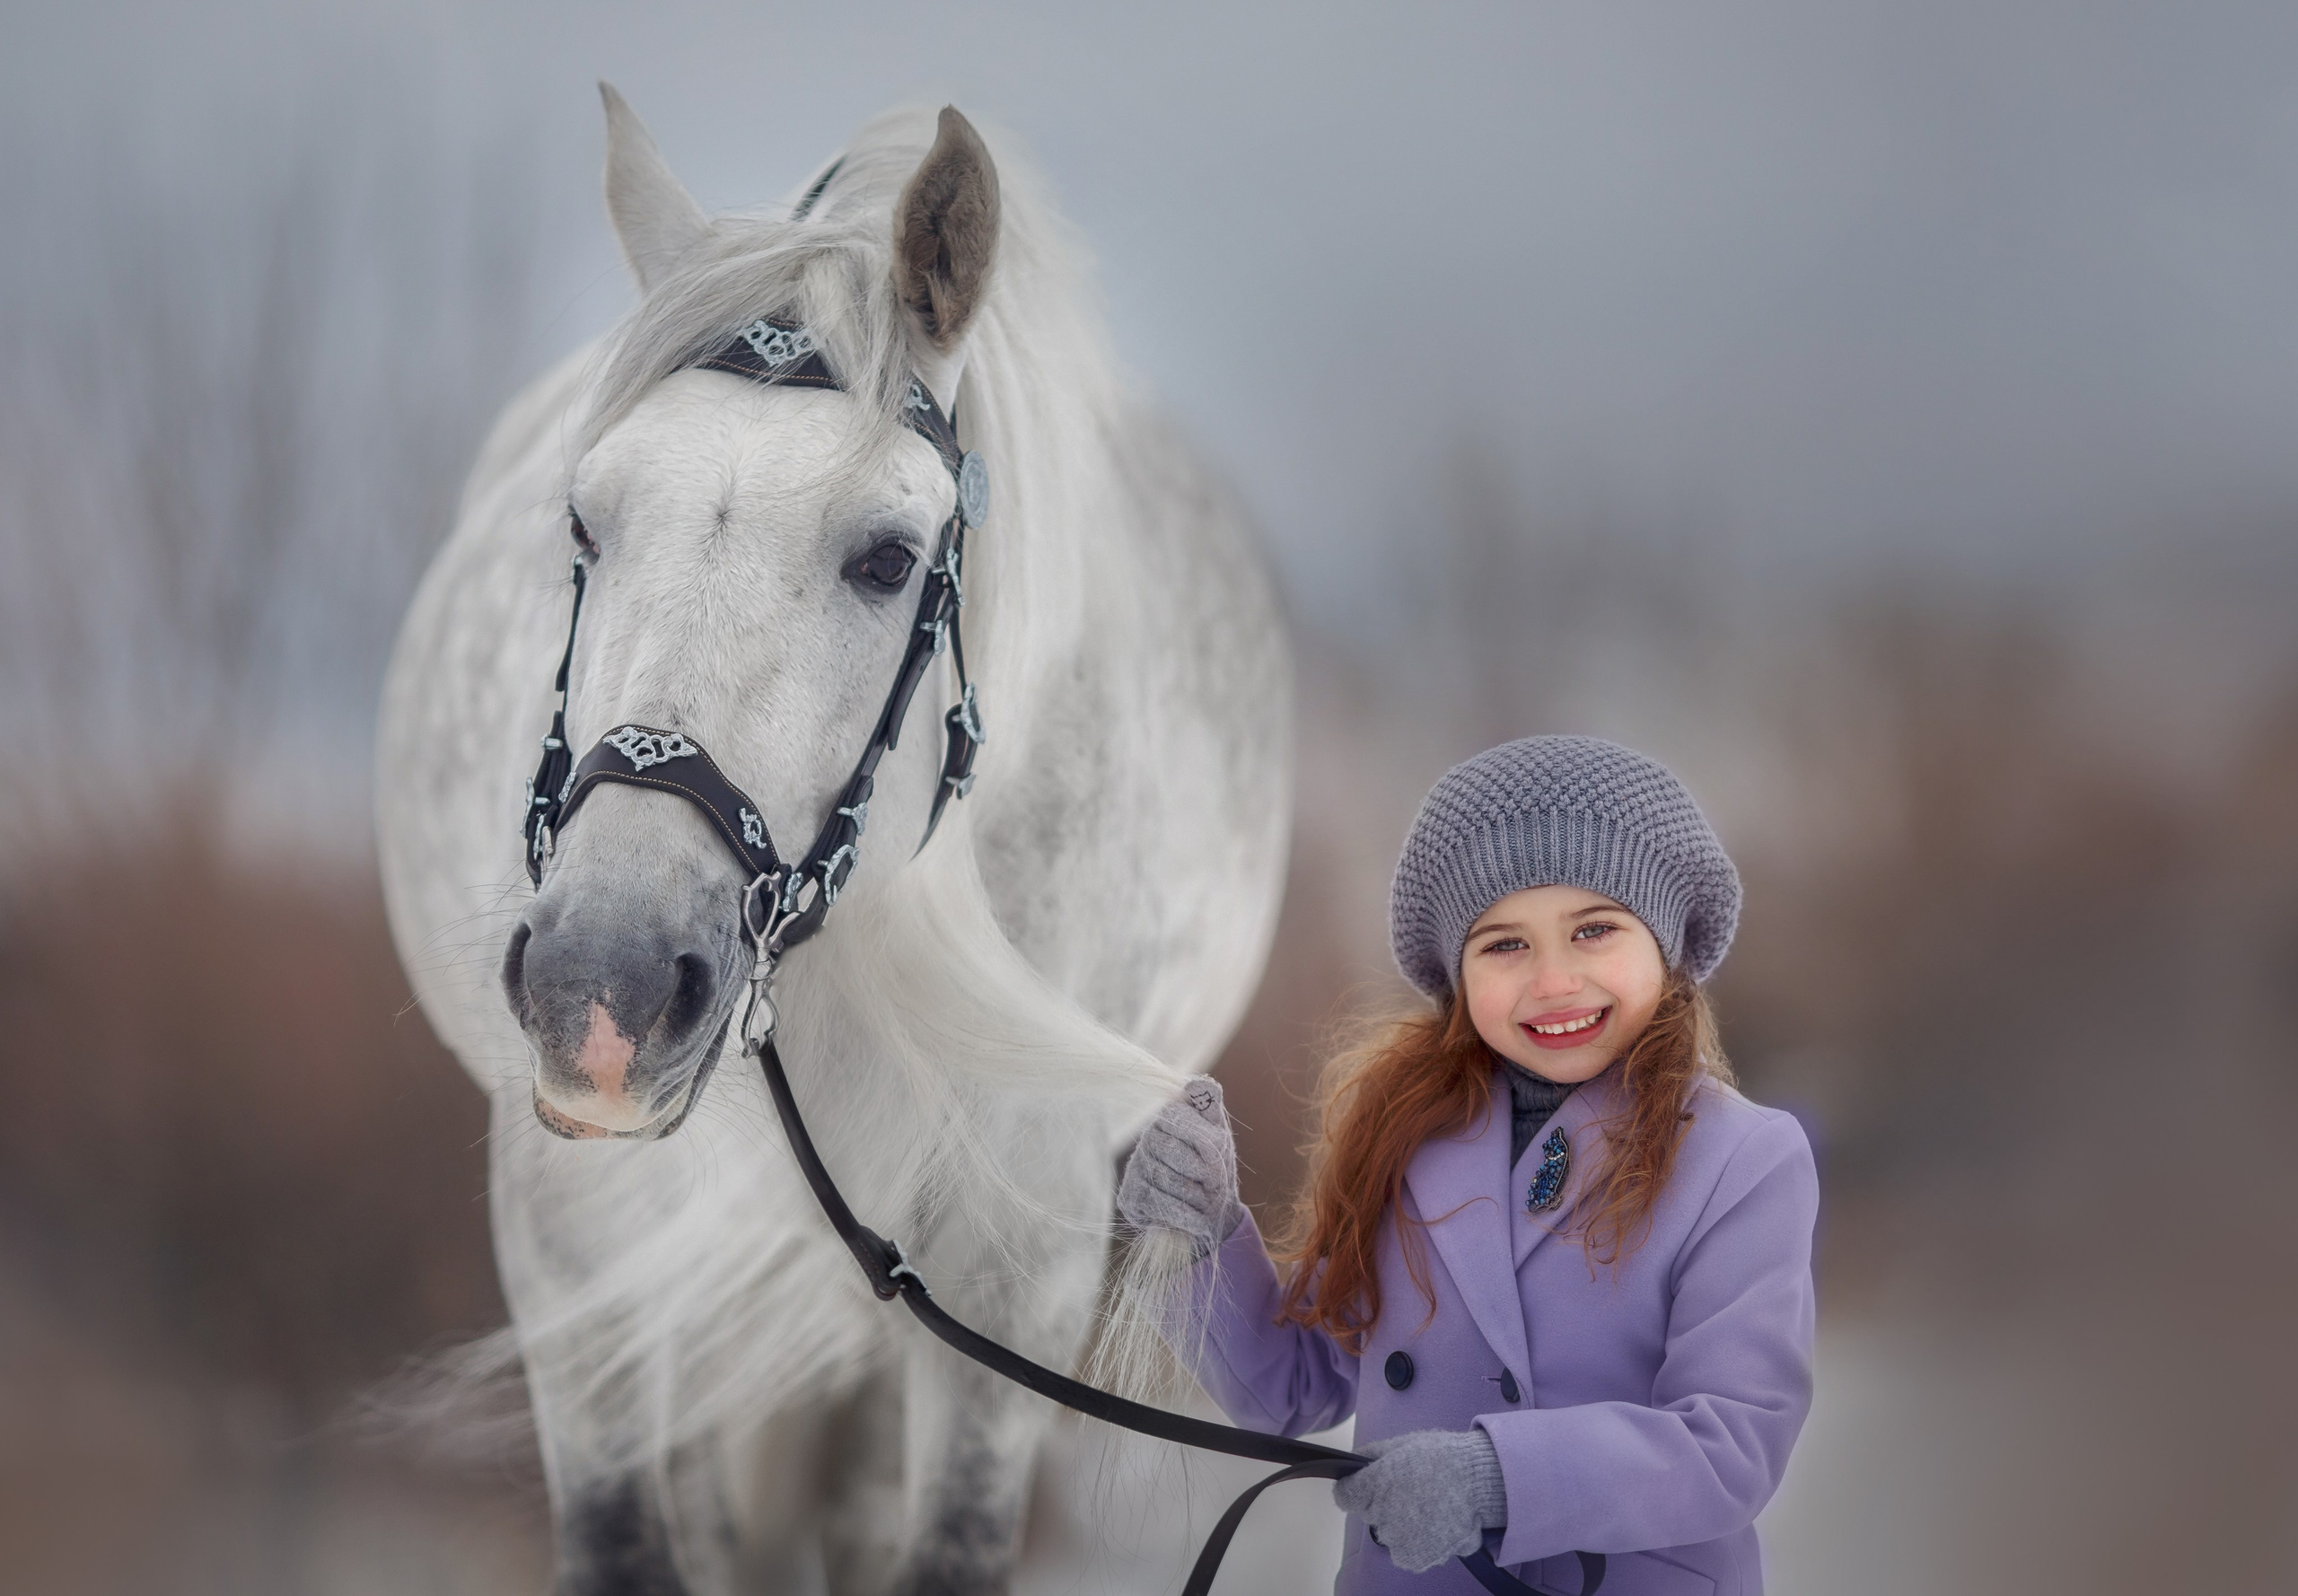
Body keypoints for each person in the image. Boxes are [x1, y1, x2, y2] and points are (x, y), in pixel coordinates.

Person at [1120, 736, 1817, 1595]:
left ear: (1666, 945)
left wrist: (1498, 1478)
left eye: (1595, 930)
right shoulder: (1406, 1135)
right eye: (1504, 945)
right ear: (1457, 974)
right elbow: (1294, 1387)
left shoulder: (1741, 1158)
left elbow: (1733, 1445)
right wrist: (1201, 1234)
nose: (1555, 980)